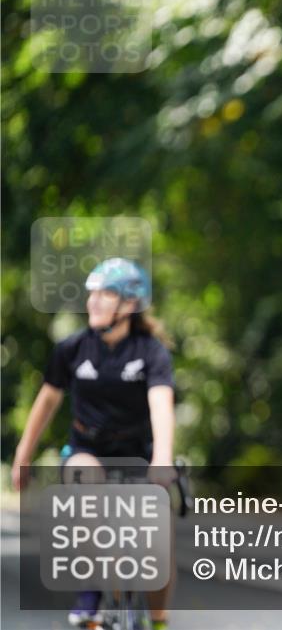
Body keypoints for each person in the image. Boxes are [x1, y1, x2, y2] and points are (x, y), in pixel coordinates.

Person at [11, 258, 177, 630]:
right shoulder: (73, 348)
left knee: (159, 545)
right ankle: (91, 588)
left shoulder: (151, 352)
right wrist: (23, 453)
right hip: (88, 449)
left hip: (139, 454)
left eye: (105, 294)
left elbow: (161, 406)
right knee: (84, 480)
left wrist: (163, 459)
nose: (93, 302)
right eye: (91, 294)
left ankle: (159, 619)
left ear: (129, 305)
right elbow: (48, 401)